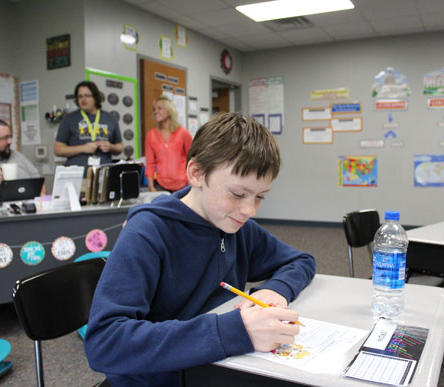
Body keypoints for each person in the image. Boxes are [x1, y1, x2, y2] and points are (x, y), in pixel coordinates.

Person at [84, 112, 317, 386]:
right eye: (238, 194)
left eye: (259, 197)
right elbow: (105, 343)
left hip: (217, 367)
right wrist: (234, 331)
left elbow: (302, 261)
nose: (248, 210)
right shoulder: (147, 232)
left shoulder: (235, 225)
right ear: (196, 173)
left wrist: (273, 290)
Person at [54, 81, 124, 171]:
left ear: (95, 97)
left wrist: (110, 147)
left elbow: (120, 146)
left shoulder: (110, 118)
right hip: (77, 176)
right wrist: (83, 148)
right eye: (80, 96)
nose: (83, 99)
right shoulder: (69, 119)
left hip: (103, 176)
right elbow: (58, 149)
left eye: (87, 95)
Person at [144, 96, 193, 192]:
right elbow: (150, 164)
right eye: (154, 109)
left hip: (183, 186)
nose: (155, 112)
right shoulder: (151, 135)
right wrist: (151, 187)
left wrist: (191, 182)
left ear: (169, 110)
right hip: (160, 186)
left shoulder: (183, 133)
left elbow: (192, 159)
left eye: (159, 108)